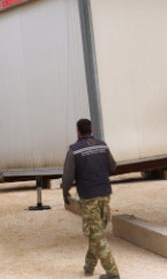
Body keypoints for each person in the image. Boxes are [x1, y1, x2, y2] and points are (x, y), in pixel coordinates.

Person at [61, 118, 120, 279]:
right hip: (105, 194)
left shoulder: (74, 151)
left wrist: (65, 194)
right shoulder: (102, 145)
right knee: (97, 231)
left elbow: (67, 178)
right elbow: (113, 166)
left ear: (78, 132)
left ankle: (113, 274)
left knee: (97, 235)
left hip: (88, 197)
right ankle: (89, 267)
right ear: (91, 131)